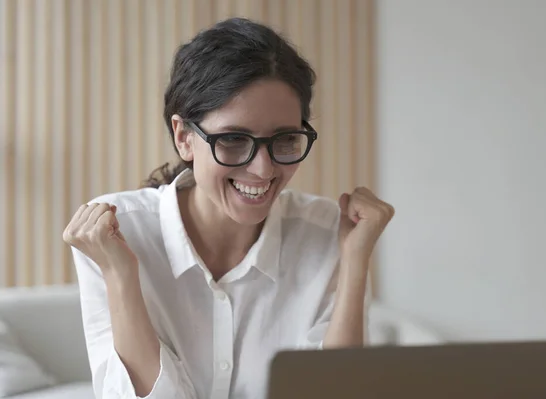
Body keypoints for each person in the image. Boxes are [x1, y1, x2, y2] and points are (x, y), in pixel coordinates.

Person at [63, 17, 394, 399]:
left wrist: (354, 262)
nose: (264, 168)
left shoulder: (330, 234)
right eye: (234, 139)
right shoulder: (114, 236)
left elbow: (339, 393)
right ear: (184, 137)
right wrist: (121, 276)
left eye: (285, 139)